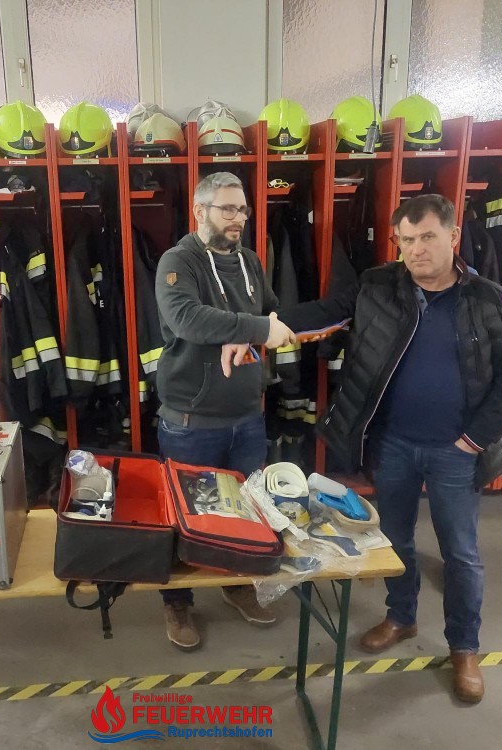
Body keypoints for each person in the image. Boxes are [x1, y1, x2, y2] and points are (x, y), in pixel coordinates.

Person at [313, 194, 502, 703]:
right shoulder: (377, 287)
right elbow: (323, 313)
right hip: (393, 443)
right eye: (406, 240)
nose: (416, 250)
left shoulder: (490, 300)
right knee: (394, 540)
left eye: (428, 237)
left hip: (457, 450)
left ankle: (464, 647)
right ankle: (402, 616)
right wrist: (263, 326)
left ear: (453, 237)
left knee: (461, 553)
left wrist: (475, 438)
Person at [154, 171, 297, 650]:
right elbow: (187, 319)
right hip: (191, 423)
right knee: (184, 519)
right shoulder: (179, 261)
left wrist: (257, 332)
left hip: (247, 418)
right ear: (200, 211)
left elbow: (270, 314)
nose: (238, 219)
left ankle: (236, 585)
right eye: (228, 209)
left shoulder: (250, 261)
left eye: (243, 210)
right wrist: (255, 329)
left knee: (244, 515)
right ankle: (178, 601)